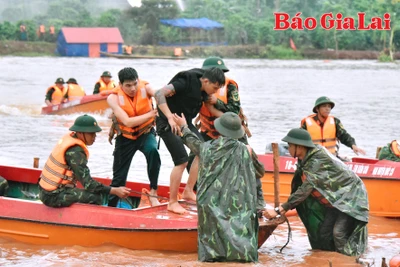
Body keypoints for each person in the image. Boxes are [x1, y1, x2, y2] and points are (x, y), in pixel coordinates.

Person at [173, 112, 264, 262]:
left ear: (219, 130)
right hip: (239, 202)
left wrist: (183, 126)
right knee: (241, 238)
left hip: (211, 203)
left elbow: (192, 141)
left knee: (211, 244)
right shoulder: (246, 150)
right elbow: (260, 171)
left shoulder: (208, 148)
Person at [264, 128, 369, 256]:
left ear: (300, 147)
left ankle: (348, 260)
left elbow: (305, 189)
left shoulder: (317, 159)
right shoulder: (305, 159)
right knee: (323, 232)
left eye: (290, 145)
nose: (288, 149)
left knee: (339, 233)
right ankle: (328, 260)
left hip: (350, 198)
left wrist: (279, 209)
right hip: (334, 199)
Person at [154, 67, 225, 214]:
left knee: (203, 150)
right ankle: (172, 202)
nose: (215, 91)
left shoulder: (205, 90)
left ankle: (188, 191)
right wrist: (169, 117)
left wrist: (232, 119)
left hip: (184, 123)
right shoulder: (186, 81)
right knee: (182, 160)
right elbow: (158, 93)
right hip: (167, 122)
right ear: (206, 81)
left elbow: (212, 110)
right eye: (215, 87)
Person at [38, 114, 130, 207]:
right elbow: (89, 185)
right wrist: (114, 190)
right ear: (80, 133)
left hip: (47, 191)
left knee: (94, 190)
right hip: (52, 195)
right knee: (96, 197)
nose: (94, 136)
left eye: (95, 133)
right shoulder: (75, 152)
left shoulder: (71, 139)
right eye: (91, 133)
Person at [107, 67, 160, 207]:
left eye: (135, 84)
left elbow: (158, 94)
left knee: (153, 151)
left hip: (145, 132)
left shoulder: (146, 87)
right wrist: (151, 114)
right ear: (120, 85)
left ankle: (153, 192)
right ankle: (111, 206)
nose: (132, 88)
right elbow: (127, 122)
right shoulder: (113, 98)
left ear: (138, 80)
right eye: (128, 85)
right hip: (125, 137)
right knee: (118, 177)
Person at [301, 96, 365, 157]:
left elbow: (344, 135)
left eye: (329, 106)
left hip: (331, 157)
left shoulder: (335, 121)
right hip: (312, 157)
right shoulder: (307, 122)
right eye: (324, 106)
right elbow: (299, 140)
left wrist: (353, 145)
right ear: (317, 109)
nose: (327, 109)